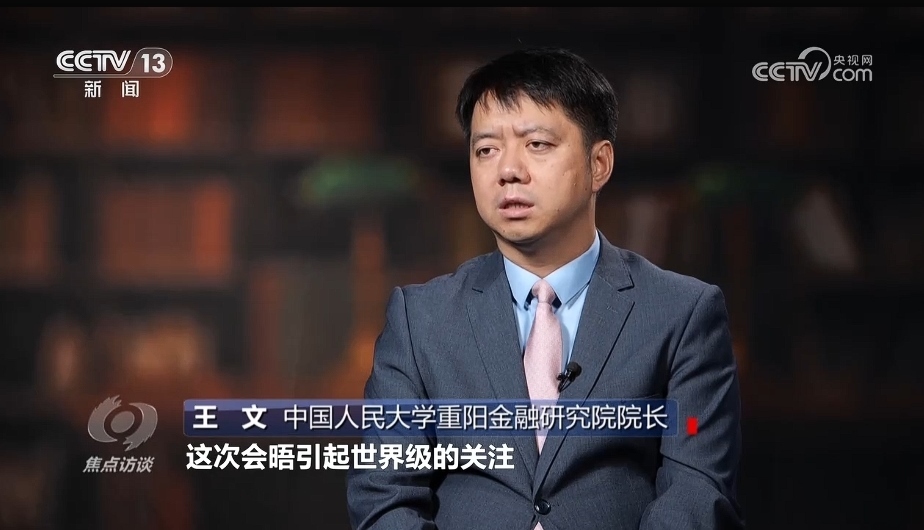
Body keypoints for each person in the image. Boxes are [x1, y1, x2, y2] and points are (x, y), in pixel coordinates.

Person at [346, 47, 744, 530]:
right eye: (486, 150)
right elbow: (385, 498)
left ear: (599, 163)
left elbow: (697, 492)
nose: (507, 170)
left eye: (536, 144)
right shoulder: (420, 319)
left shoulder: (682, 312)